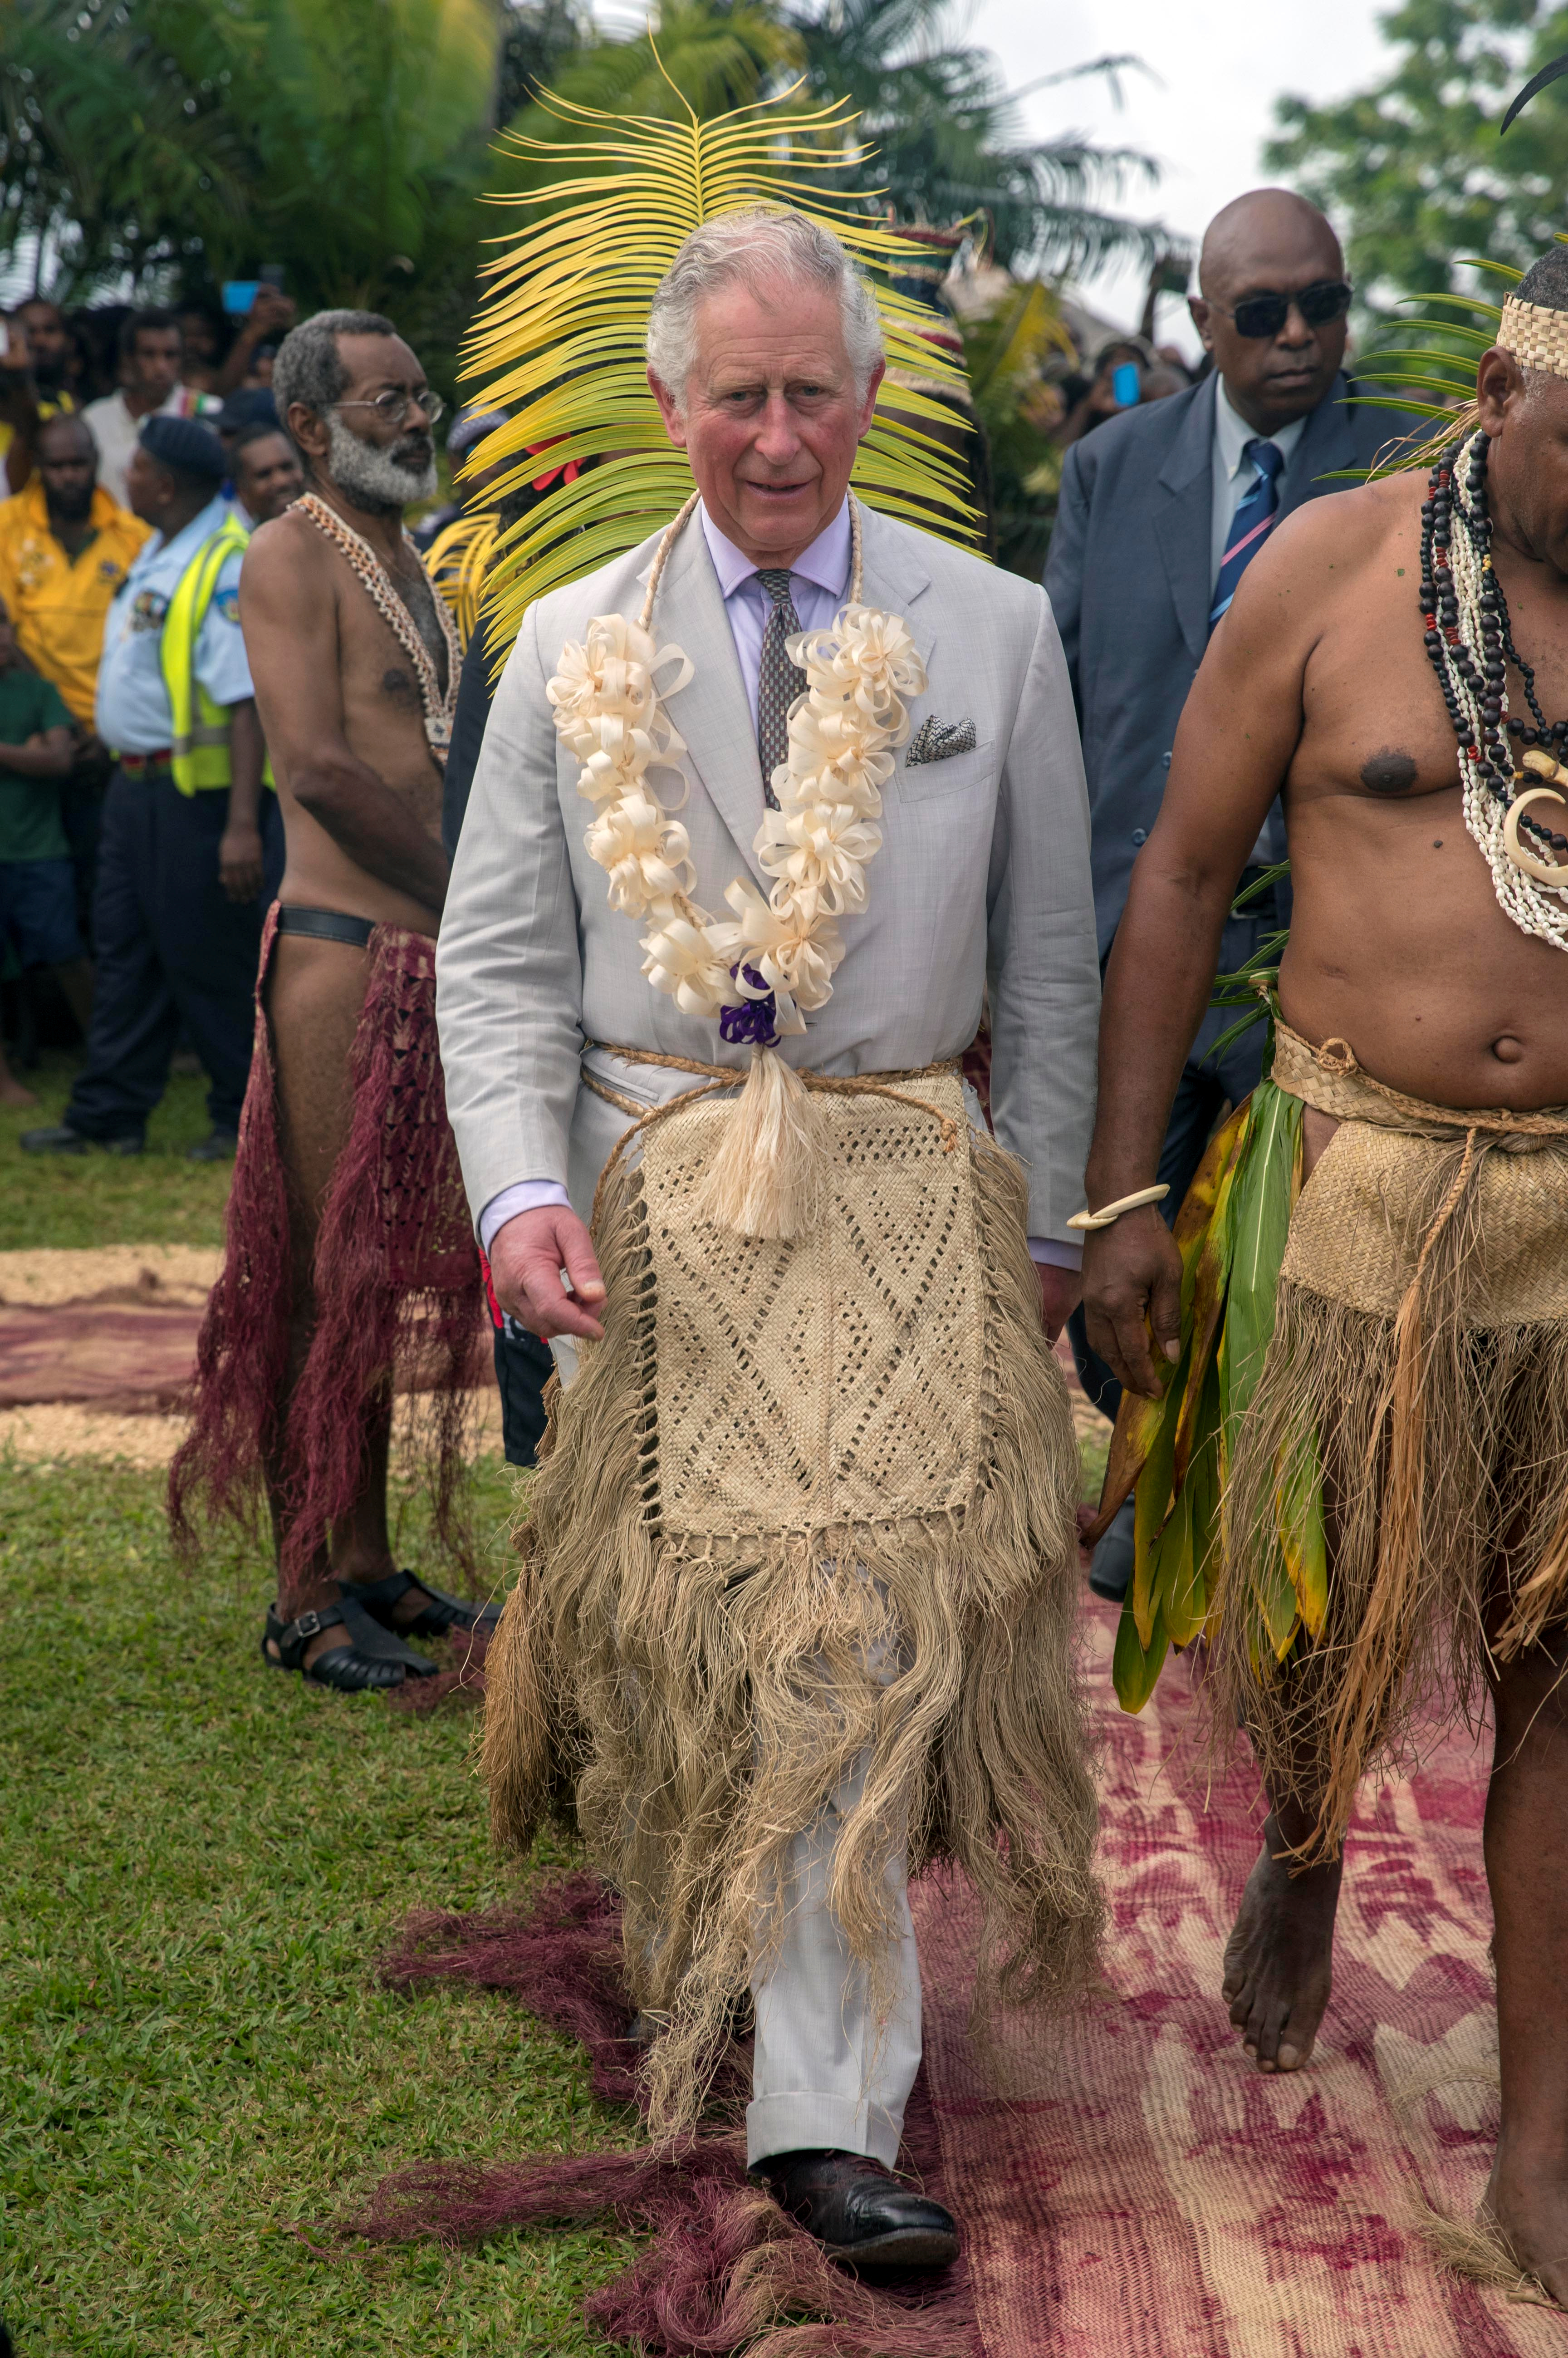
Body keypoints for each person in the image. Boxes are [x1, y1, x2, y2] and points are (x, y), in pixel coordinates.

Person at [438, 207, 1102, 2264]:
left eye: (814, 389)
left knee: (855, 1641)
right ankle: (717, 1951)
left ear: (872, 396)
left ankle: (828, 2111)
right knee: (680, 1645)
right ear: (668, 404)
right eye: (737, 394)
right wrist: (521, 1193)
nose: (779, 434)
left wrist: (1049, 1224)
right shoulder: (568, 638)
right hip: (644, 1197)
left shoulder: (985, 629)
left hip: (901, 1189)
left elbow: (1052, 965)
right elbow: (497, 966)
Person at [1078, 246, 1568, 2304]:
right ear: (1493, 389)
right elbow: (1182, 869)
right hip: (1349, 1185)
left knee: (1554, 1656)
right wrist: (1117, 1201)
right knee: (1307, 1615)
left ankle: (1542, 2130)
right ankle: (1293, 1839)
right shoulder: (1329, 572)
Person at [1044, 187, 1419, 1600]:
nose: (1300, 336)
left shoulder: (1410, 464)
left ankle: (1194, 1500)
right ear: (1205, 322)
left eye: (1325, 304)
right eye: (1261, 314)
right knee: (1118, 1238)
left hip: (1321, 940)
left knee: (1265, 1252)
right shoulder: (1111, 467)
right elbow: (1067, 698)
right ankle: (1148, 1446)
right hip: (1137, 925)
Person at [167, 309, 490, 1698]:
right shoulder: (289, 552)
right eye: (381, 400)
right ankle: (302, 1595)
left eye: (420, 396)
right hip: (344, 954)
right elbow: (318, 770)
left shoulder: (421, 559)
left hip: (425, 959)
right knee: (315, 1279)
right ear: (307, 424)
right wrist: (485, 885)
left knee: (379, 1278)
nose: (414, 419)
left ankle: (363, 1558)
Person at [20, 415, 279, 1162]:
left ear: (163, 482)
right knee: (127, 949)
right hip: (134, 791)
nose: (121, 478)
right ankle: (109, 1112)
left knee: (206, 955)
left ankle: (242, 1114)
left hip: (195, 797)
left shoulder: (223, 561)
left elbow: (241, 701)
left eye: (133, 468)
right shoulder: (162, 550)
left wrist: (239, 825)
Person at [0, 412, 151, 933]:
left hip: (108, 747)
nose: (69, 475)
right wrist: (59, 722)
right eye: (57, 465)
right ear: (39, 467)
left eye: (79, 464)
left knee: (104, 892)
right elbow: (7, 634)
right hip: (33, 740)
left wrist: (104, 730)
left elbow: (142, 646)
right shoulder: (7, 527)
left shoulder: (134, 537)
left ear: (96, 463)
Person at [0, 591, 92, 1104]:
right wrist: (24, 753)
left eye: (4, 625)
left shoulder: (36, 691)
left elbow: (60, 760)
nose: (0, 637)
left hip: (39, 850)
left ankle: (106, 1054)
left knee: (66, 953)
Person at [81, 311, 216, 509]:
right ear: (128, 360)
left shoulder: (208, 412)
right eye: (149, 355)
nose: (161, 367)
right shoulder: (94, 420)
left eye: (171, 355)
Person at [229, 422, 303, 527]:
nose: (281, 481)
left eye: (287, 467)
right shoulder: (245, 543)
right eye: (264, 475)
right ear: (242, 493)